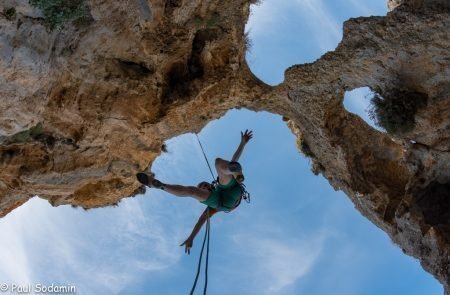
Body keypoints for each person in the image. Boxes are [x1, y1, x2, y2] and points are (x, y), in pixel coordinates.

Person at [136, 130, 253, 254]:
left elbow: (233, 161)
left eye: (205, 185)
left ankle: (237, 173)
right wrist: (191, 238)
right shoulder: (211, 207)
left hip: (230, 188)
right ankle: (160, 185)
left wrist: (242, 144)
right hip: (225, 201)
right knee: (192, 191)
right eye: (202, 186)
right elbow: (200, 222)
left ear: (210, 186)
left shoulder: (218, 186)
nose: (203, 187)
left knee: (218, 162)